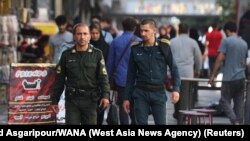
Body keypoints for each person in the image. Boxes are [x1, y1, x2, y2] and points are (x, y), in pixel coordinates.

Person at [123, 19, 181, 125]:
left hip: (158, 93)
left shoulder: (164, 47)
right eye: (141, 31)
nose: (143, 34)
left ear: (154, 30)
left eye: (146, 30)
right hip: (140, 93)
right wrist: (126, 98)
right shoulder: (135, 49)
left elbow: (174, 69)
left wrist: (176, 89)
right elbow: (130, 76)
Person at [51, 23, 110, 125]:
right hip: (72, 100)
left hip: (90, 100)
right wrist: (54, 100)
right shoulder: (66, 55)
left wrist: (105, 95)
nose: (82, 37)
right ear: (74, 36)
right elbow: (59, 79)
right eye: (79, 34)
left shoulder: (97, 54)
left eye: (85, 34)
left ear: (89, 36)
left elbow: (103, 77)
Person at [208, 21, 248, 125]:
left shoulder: (226, 41)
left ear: (227, 31)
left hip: (229, 77)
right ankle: (239, 124)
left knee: (224, 100)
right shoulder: (244, 43)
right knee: (239, 103)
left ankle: (234, 121)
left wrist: (213, 75)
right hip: (241, 77)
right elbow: (244, 62)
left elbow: (220, 58)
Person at [107, 17, 141, 125]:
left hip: (120, 80)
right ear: (135, 28)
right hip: (136, 80)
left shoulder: (115, 42)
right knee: (135, 107)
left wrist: (108, 79)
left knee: (122, 108)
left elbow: (110, 63)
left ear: (123, 27)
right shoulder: (140, 42)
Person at [170, 23, 202, 120]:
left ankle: (177, 112)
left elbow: (168, 58)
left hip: (175, 72)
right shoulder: (193, 42)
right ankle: (183, 114)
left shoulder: (172, 41)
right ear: (187, 30)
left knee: (176, 92)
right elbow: (198, 58)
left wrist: (167, 72)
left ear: (178, 30)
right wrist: (197, 70)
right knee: (186, 95)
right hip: (188, 73)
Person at [89, 22, 110, 125]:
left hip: (100, 83)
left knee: (100, 112)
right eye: (92, 33)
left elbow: (108, 66)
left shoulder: (106, 47)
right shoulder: (85, 46)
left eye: (97, 33)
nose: (95, 35)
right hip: (88, 83)